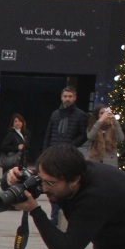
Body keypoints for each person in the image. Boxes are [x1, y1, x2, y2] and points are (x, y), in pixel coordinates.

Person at [44, 86, 89, 226]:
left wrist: (70, 146)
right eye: (65, 96)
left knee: (63, 186)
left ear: (75, 98)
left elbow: (84, 135)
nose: (67, 99)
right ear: (61, 97)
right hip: (53, 154)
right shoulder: (55, 114)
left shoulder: (81, 115)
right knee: (51, 186)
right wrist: (45, 152)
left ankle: (60, 217)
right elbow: (49, 134)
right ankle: (54, 216)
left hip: (67, 156)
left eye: (70, 96)